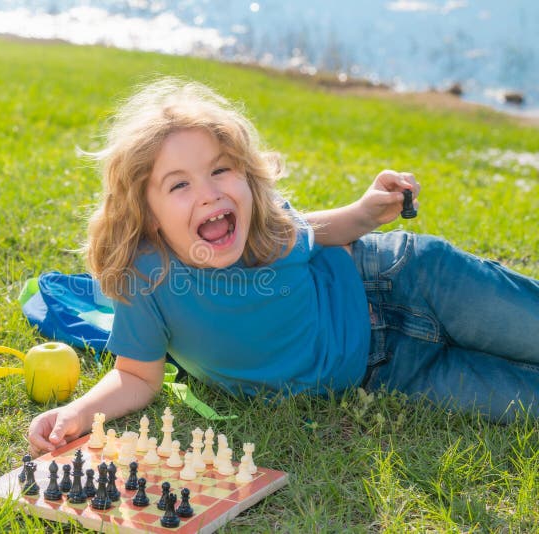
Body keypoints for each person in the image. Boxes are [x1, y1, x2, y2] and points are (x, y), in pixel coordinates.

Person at [27, 78, 539, 455]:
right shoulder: (147, 279)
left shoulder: (257, 224)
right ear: (148, 214)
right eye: (179, 184)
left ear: (247, 178)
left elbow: (310, 231)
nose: (209, 193)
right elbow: (137, 377)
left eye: (221, 170)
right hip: (393, 372)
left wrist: (363, 213)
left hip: (413, 281)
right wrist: (75, 414)